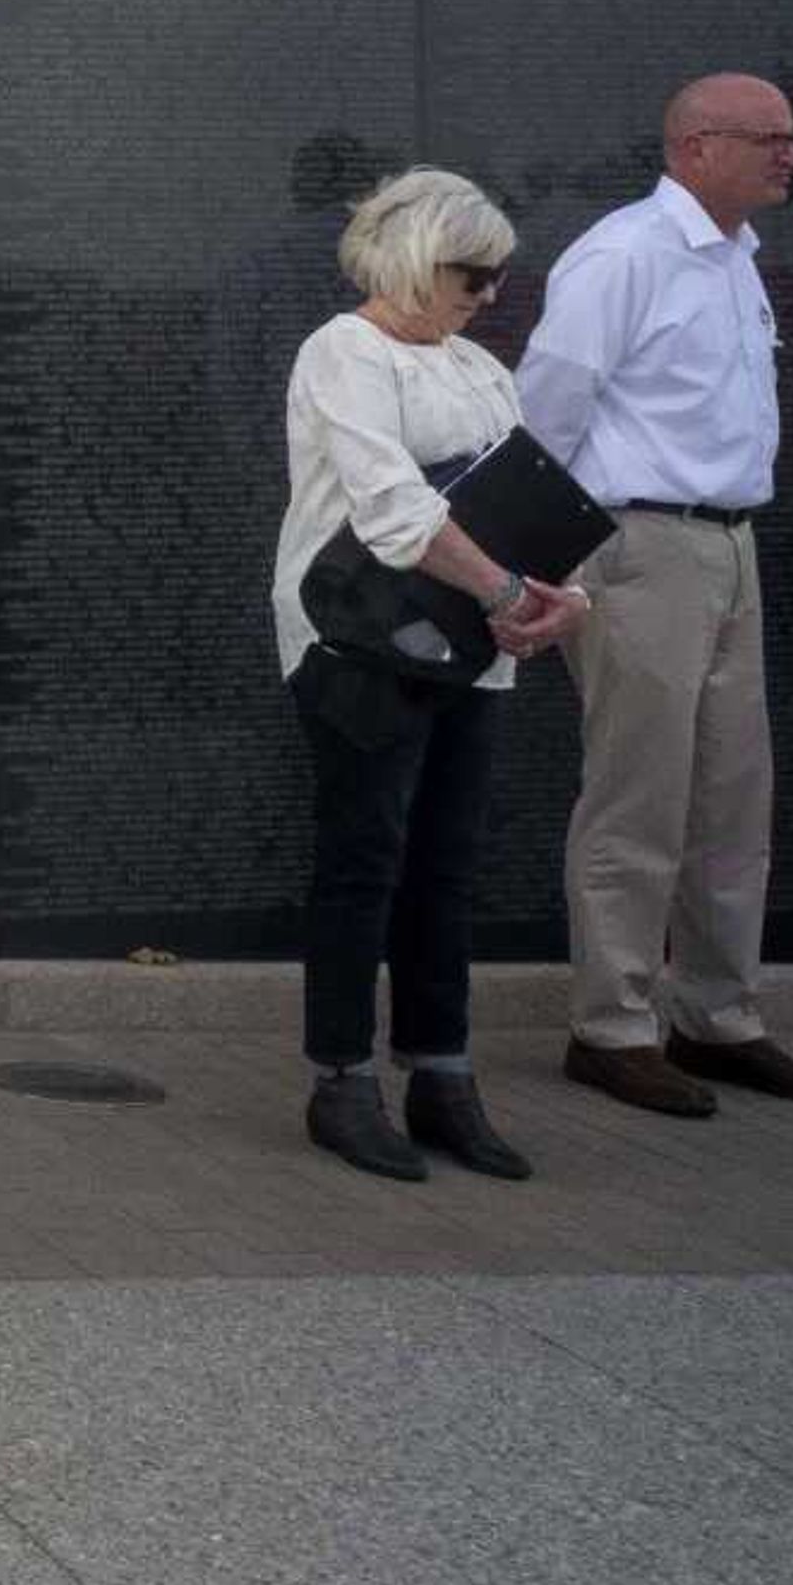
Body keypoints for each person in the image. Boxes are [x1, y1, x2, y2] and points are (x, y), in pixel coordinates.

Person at [522, 74, 793, 1114]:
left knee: (731, 794)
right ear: (698, 146)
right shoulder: (625, 255)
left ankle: (718, 1017)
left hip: (729, 547)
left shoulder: (738, 262)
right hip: (642, 548)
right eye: (773, 137)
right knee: (641, 792)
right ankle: (612, 1024)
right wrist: (544, 562)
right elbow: (545, 410)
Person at [271, 169, 584, 1181]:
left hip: (474, 645)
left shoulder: (479, 371)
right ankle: (342, 1078)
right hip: (361, 643)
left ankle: (441, 1073)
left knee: (448, 863)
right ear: (411, 258)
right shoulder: (343, 351)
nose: (490, 292)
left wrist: (558, 594)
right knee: (367, 857)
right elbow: (391, 510)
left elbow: (531, 492)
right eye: (472, 272)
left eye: (499, 275)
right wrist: (508, 594)